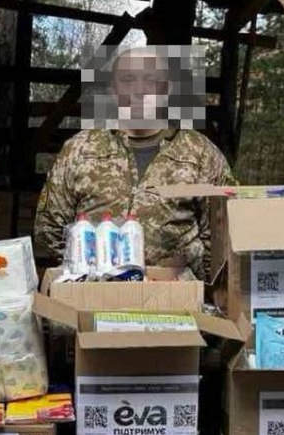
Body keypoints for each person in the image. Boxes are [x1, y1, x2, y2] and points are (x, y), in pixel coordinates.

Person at [34, 45, 235, 279]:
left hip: (174, 293)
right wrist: (85, 270)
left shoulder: (200, 153)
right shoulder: (80, 149)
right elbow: (48, 226)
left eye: (151, 80)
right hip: (94, 291)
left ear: (166, 89)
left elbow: (225, 231)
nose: (140, 90)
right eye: (128, 80)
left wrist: (194, 279)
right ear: (113, 90)